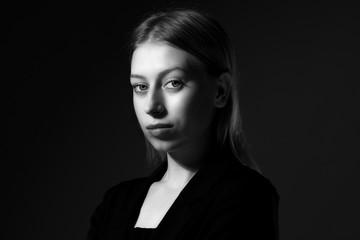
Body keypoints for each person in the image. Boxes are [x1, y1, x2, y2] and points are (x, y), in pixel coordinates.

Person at [87, 8, 279, 240]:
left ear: (220, 91)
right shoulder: (115, 203)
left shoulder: (245, 195)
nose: (151, 106)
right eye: (141, 87)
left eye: (173, 83)